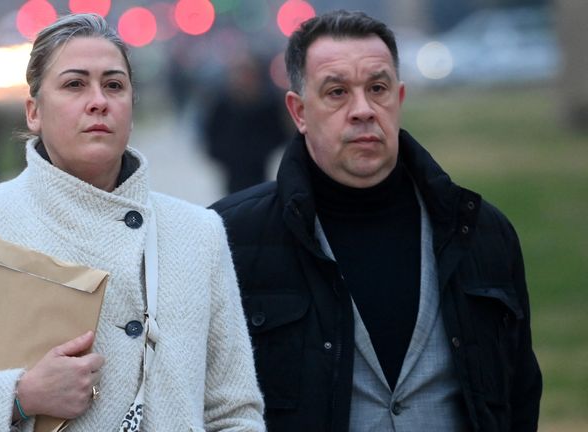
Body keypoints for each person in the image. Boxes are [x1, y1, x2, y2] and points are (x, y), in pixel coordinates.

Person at [0, 13, 264, 431]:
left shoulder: (198, 233)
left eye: (114, 85)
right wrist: (19, 396)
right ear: (33, 112)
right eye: (74, 84)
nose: (98, 101)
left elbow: (234, 414)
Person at [211, 10, 541, 432]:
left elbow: (520, 395)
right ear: (298, 111)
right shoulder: (230, 238)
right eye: (336, 92)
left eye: (377, 88)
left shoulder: (479, 232)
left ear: (398, 99)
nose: (363, 110)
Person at [202, 53, 290, 194]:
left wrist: (262, 151)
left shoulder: (268, 103)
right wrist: (223, 154)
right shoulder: (222, 104)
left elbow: (279, 133)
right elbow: (211, 133)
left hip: (258, 170)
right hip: (232, 170)